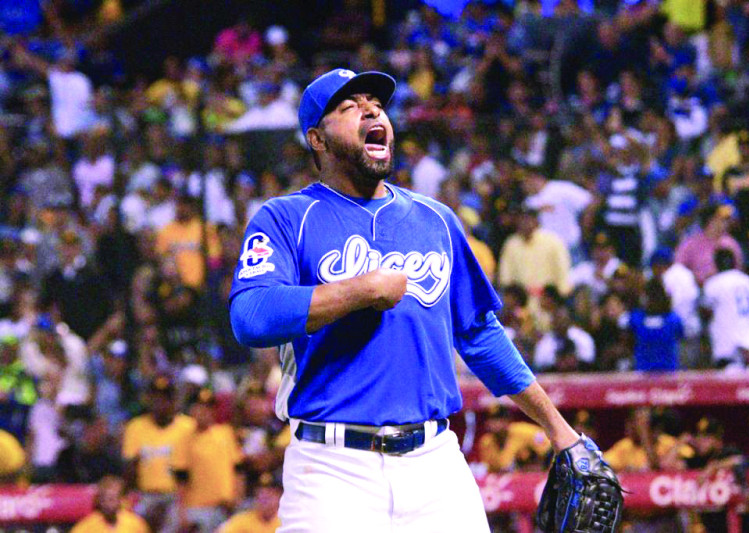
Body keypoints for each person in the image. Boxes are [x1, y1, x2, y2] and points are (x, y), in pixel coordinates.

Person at [229, 68, 606, 531]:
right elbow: (250, 317)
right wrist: (360, 290)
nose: (371, 111)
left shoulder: (436, 220)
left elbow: (480, 334)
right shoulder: (287, 217)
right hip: (331, 469)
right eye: (349, 107)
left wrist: (557, 428)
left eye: (377, 105)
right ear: (318, 140)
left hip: (435, 464)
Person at [122, 375, 196, 533]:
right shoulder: (136, 426)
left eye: (165, 398)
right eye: (156, 398)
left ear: (174, 401)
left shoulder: (188, 426)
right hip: (146, 495)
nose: (160, 403)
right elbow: (130, 469)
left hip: (178, 496)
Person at [173, 388, 244, 533]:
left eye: (208, 408)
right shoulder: (184, 438)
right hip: (198, 508)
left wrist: (238, 498)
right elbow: (181, 479)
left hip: (226, 507)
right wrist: (182, 513)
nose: (203, 412)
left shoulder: (226, 433)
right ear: (192, 410)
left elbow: (238, 470)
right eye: (199, 407)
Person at [701, 248, 749, 369]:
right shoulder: (748, 281)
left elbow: (705, 312)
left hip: (725, 342)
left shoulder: (713, 283)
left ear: (716, 264)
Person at [70, 475, 150, 533]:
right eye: (104, 500)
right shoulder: (87, 526)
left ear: (120, 500)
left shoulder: (135, 523)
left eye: (111, 499)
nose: (107, 504)